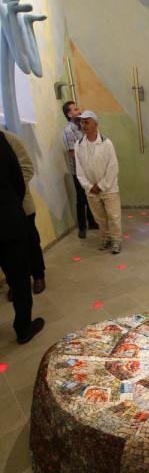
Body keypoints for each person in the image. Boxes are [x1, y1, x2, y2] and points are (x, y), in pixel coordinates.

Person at [0, 131, 44, 344]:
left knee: (30, 248)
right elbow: (16, 179)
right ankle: (23, 328)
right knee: (18, 276)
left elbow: (24, 170)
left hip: (14, 215)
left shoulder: (9, 138)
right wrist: (10, 204)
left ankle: (39, 276)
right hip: (9, 217)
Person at [74, 110, 122, 254]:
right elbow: (79, 170)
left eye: (87, 122)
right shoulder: (78, 145)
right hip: (91, 191)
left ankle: (116, 240)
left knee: (114, 217)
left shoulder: (107, 143)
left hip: (108, 188)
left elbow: (113, 167)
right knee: (100, 218)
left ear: (95, 124)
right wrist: (89, 186)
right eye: (82, 123)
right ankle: (106, 238)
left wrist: (101, 186)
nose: (83, 125)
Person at [62, 100, 98, 238]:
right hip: (78, 170)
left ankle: (92, 222)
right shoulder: (68, 131)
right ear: (69, 114)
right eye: (75, 109)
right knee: (81, 199)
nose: (79, 111)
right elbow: (72, 153)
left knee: (90, 195)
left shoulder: (82, 127)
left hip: (89, 168)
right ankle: (82, 227)